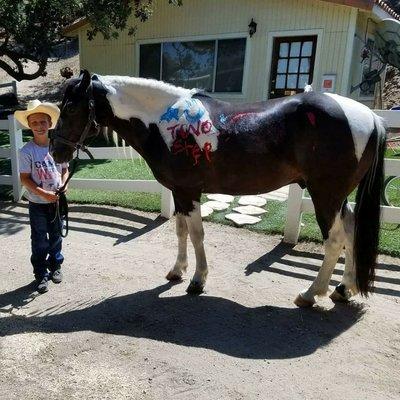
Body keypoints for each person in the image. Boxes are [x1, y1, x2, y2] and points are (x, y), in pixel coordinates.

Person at [15, 100, 69, 294]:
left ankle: (56, 266)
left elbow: (64, 170)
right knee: (39, 239)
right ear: (29, 125)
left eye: (43, 122)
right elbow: (25, 179)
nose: (39, 126)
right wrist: (43, 193)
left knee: (56, 235)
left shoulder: (57, 147)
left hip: (56, 202)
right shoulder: (27, 151)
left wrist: (64, 185)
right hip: (37, 203)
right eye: (35, 122)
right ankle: (41, 274)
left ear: (49, 123)